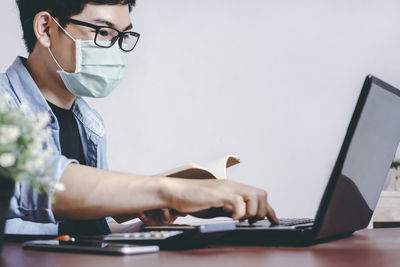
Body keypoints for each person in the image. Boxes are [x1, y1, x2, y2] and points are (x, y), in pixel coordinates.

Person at [1, 0, 278, 236]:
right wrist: (169, 191)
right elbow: (32, 181)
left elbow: (83, 231)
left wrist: (146, 226)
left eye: (123, 37)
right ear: (46, 28)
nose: (116, 49)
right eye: (104, 32)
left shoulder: (89, 123)